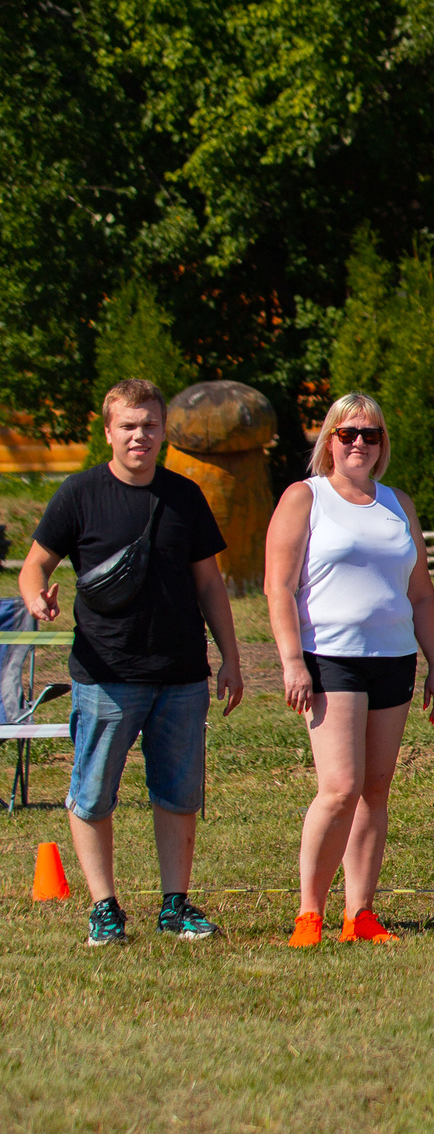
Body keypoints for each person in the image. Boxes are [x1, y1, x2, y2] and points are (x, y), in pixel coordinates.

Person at [22, 379, 243, 947]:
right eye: (129, 426)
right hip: (105, 675)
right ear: (108, 433)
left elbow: (209, 586)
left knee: (178, 793)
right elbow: (35, 565)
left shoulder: (185, 496)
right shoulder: (78, 494)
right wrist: (35, 595)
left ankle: (175, 907)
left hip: (182, 675)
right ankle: (104, 908)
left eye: (150, 424)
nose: (140, 435)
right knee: (93, 793)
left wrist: (231, 658)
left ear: (163, 430)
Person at [265, 392, 434, 947]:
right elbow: (279, 585)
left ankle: (360, 913)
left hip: (392, 659)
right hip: (330, 658)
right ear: (330, 440)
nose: (360, 444)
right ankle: (309, 913)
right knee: (339, 788)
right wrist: (292, 659)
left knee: (375, 789)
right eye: (349, 434)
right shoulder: (306, 497)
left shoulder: (398, 503)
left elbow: (420, 594)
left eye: (371, 434)